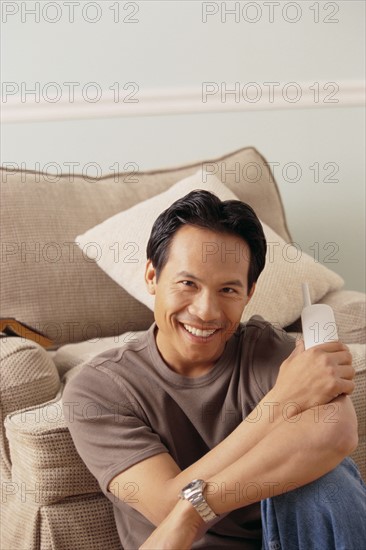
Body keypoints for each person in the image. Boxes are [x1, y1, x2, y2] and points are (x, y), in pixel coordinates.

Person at [63, 190, 365, 550]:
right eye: (188, 284)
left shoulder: (268, 352)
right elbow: (163, 506)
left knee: (329, 478)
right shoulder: (100, 388)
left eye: (227, 289)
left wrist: (191, 513)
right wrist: (282, 401)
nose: (206, 311)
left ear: (249, 293)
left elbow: (338, 434)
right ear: (151, 276)